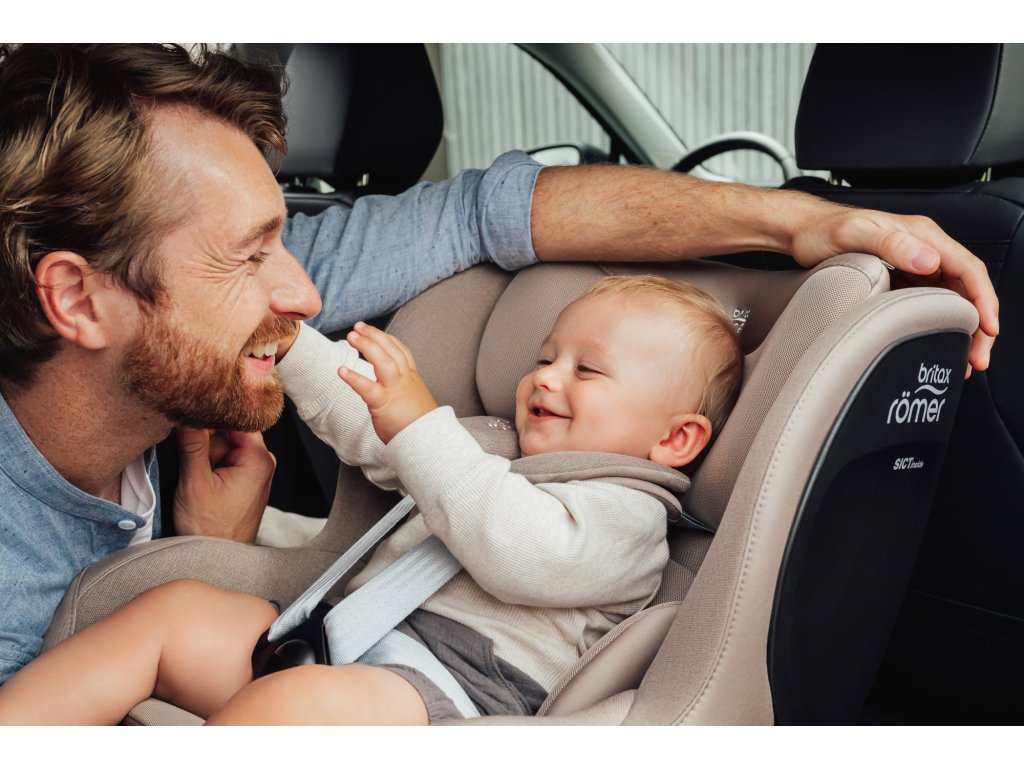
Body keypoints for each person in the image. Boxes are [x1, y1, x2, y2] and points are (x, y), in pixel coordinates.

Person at [0, 43, 998, 686]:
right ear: (77, 300)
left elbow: (493, 211)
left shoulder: (241, 296)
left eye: (286, 237)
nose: (308, 293)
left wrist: (810, 222)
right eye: (250, 256)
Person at [0, 274, 745, 724]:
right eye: (547, 357)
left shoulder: (630, 517)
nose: (545, 377)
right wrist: (289, 344)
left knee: (288, 710)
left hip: (443, 698)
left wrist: (422, 429)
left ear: (675, 439)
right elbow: (368, 428)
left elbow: (517, 547)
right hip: (330, 635)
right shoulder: (488, 449)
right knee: (174, 613)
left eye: (588, 371)